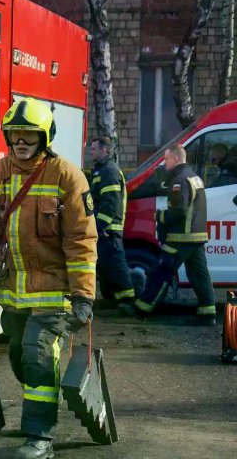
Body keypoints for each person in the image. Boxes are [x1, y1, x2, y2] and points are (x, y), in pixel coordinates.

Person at [0, 99, 98, 459]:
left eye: (30, 135)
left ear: (45, 137)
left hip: (54, 295)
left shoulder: (67, 177)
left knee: (37, 355)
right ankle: (42, 406)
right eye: (15, 135)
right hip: (13, 297)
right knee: (24, 362)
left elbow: (81, 242)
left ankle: (39, 436)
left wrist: (84, 297)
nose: (21, 142)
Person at [134, 144, 216, 325]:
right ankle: (207, 314)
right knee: (199, 274)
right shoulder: (194, 177)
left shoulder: (179, 180)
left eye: (167, 159)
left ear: (176, 159)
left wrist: (160, 216)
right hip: (195, 236)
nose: (164, 163)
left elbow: (180, 210)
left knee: (161, 271)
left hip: (181, 236)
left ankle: (141, 308)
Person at [88, 137, 135, 312]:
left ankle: (128, 300)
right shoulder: (101, 171)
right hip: (101, 229)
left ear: (105, 150)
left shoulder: (110, 171)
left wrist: (101, 226)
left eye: (93, 149)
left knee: (115, 264)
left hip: (108, 229)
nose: (90, 151)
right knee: (105, 266)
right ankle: (112, 300)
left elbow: (110, 203)